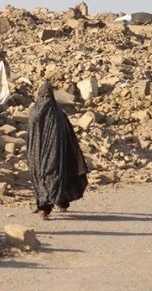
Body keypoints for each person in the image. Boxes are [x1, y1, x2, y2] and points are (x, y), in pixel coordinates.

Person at [27, 82, 89, 220]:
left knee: (52, 177)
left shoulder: (58, 114)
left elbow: (66, 135)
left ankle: (45, 208)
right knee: (39, 177)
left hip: (54, 153)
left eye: (49, 96)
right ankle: (49, 202)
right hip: (36, 153)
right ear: (40, 95)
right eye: (44, 96)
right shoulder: (35, 112)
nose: (46, 99)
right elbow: (31, 132)